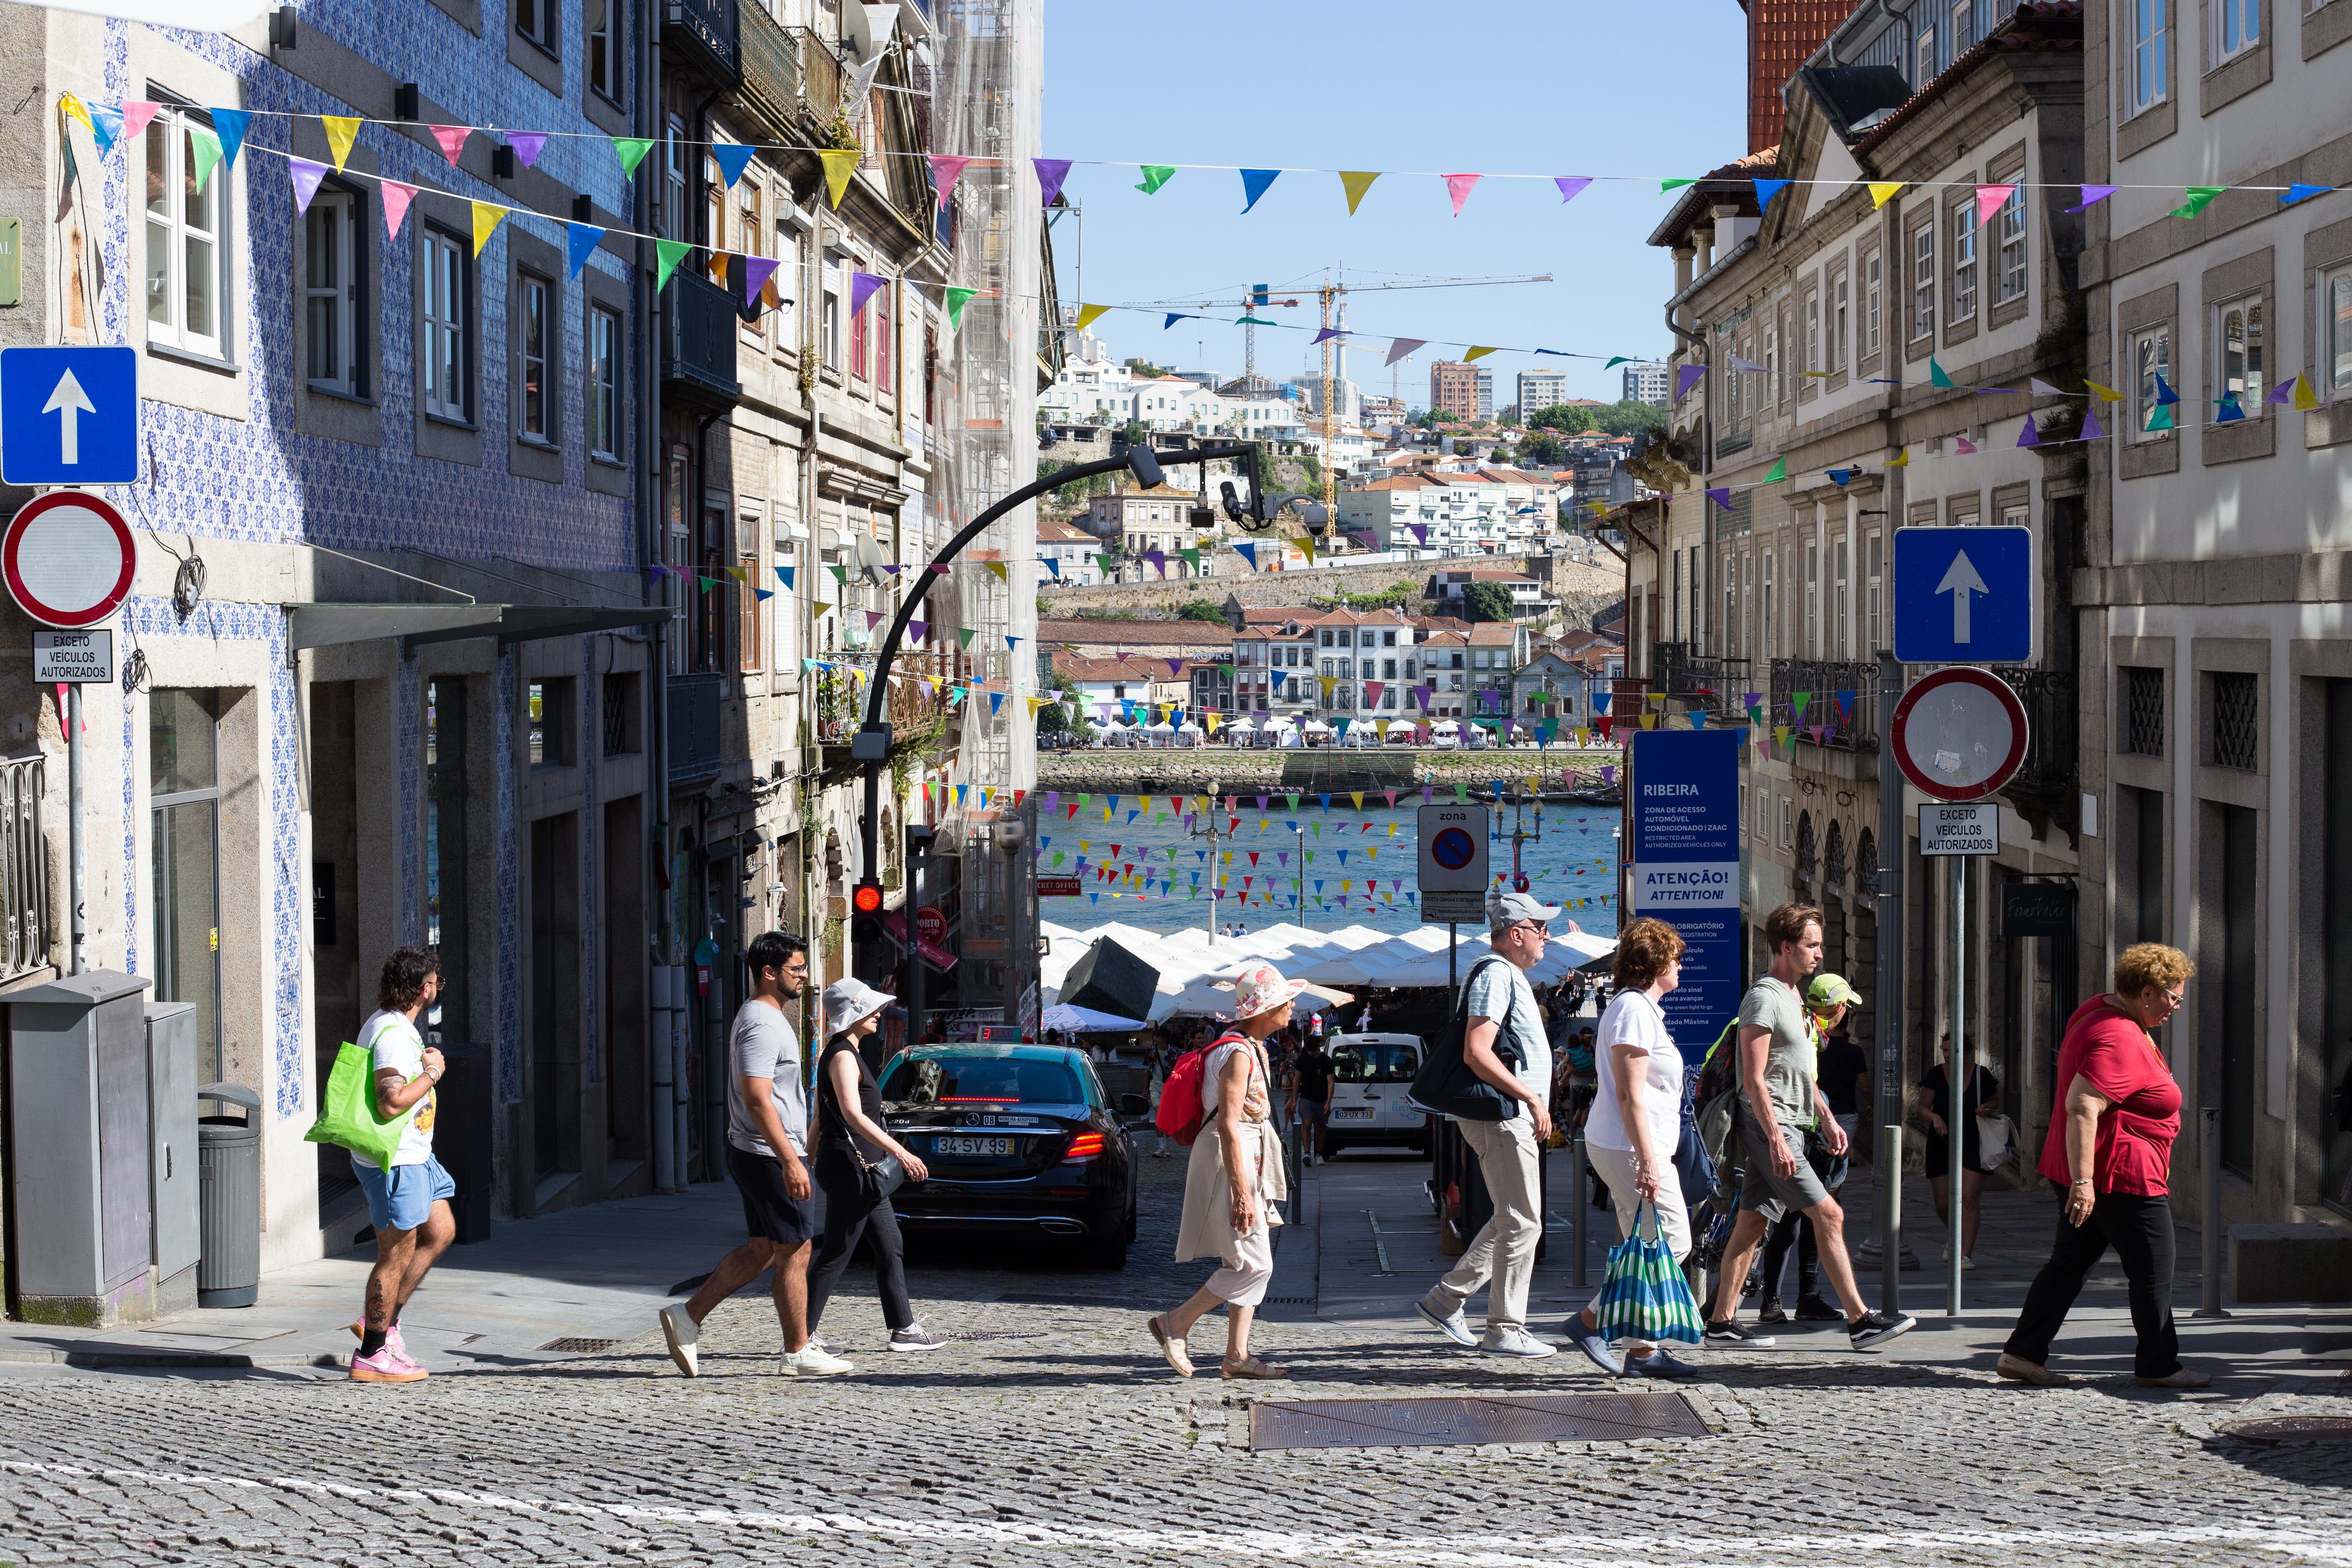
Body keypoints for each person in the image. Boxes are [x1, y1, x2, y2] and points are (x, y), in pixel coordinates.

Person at [1704, 903, 1916, 1352]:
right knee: (1829, 1213)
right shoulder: (1763, 997)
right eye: (1811, 945)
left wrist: (1827, 1118)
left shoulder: (1795, 996)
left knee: (1752, 1223)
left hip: (1793, 1124)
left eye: (1819, 945)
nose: (1820, 954)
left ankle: (1722, 1322)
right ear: (1786, 946)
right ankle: (1860, 1321)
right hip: (1770, 1126)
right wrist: (1778, 1139)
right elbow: (1753, 1077)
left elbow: (1802, 1073)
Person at [1999, 944, 2209, 1389]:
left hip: (2101, 1171)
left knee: (2068, 1264)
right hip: (2120, 1177)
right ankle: (2158, 1365)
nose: (2176, 1007)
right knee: (2154, 1267)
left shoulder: (2100, 1010)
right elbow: (2082, 1105)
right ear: (2147, 993)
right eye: (2173, 998)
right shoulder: (2120, 1036)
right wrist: (2084, 1183)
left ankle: (2023, 1353)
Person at [659, 932, 852, 1378]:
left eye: (803, 968)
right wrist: (790, 1159)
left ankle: (689, 1317)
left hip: (761, 1152)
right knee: (796, 1250)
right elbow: (758, 1097)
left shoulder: (766, 1017)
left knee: (763, 1249)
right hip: (768, 1154)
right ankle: (798, 1351)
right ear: (769, 972)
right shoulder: (762, 1024)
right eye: (797, 969)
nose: (805, 976)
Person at [1412, 890, 1558, 1360]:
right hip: (1505, 1114)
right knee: (1524, 1222)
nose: (1547, 937)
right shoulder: (1496, 974)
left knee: (1510, 1218)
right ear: (1516, 934)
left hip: (1508, 1113)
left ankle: (1446, 1299)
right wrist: (1531, 1096)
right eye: (1540, 929)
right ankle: (1504, 1326)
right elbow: (1477, 1051)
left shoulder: (1505, 974)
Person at [1147, 963, 1299, 1380]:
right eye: (1287, 1000)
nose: (1293, 1005)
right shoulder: (1237, 1052)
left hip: (1245, 1155)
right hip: (1231, 1158)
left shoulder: (1249, 1047)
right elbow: (1230, 1123)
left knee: (1249, 1259)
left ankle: (1236, 1355)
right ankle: (1175, 1322)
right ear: (1266, 1009)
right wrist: (1242, 1192)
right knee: (1255, 1265)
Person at [1563, 918, 1698, 1379]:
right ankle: (1591, 1322)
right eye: (1675, 957)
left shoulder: (1638, 1009)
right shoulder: (1634, 1011)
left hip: (1631, 1143)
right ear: (1654, 962)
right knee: (1674, 1239)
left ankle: (1642, 1351)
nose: (1681, 964)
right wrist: (1646, 1160)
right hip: (1631, 1146)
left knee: (1647, 1244)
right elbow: (1629, 1093)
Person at [804, 978, 947, 1354]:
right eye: (871, 1010)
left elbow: (821, 1116)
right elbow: (851, 1114)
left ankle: (904, 1329)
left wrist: (807, 1158)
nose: (879, 1015)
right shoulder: (842, 1056)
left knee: (890, 1244)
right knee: (837, 1252)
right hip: (854, 1169)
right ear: (853, 1014)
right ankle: (801, 1337)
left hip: (864, 1170)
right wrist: (900, 1152)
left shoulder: (844, 1053)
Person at [347, 948, 455, 1384]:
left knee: (441, 1230)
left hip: (417, 1156)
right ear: (425, 989)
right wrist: (431, 1074)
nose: (437, 988)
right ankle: (372, 1353)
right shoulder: (391, 1033)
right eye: (437, 982)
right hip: (396, 1162)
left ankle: (385, 1323)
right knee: (395, 1253)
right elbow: (391, 1101)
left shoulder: (395, 1026)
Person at [1919, 1034, 2000, 1268]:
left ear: (1965, 1052)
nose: (1947, 1055)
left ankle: (1965, 1254)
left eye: (1951, 1051)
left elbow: (1995, 1101)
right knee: (1943, 1204)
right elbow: (1922, 1108)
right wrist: (1935, 1118)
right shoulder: (1935, 1075)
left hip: (1974, 1140)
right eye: (1943, 1050)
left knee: (1969, 1199)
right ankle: (1956, 1237)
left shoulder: (1980, 1074)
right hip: (1941, 1141)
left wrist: (1986, 1107)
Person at [1811, 976, 1870, 1161]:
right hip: (1839, 1113)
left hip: (1814, 1115)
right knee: (1835, 1169)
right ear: (1839, 1008)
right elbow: (1865, 1087)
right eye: (1845, 1005)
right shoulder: (1852, 1051)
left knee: (1815, 1165)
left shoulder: (1813, 1037)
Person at [1295, 1032, 1335, 1164]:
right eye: (1309, 1051)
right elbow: (1297, 1080)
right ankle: (1307, 1153)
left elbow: (1331, 1082)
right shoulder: (1302, 1059)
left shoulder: (1326, 1061)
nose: (1311, 1053)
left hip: (1322, 1098)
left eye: (1313, 1051)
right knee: (1306, 1124)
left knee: (1320, 1126)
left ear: (1319, 1047)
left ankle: (1319, 1154)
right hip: (1306, 1097)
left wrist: (1329, 1102)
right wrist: (1294, 1100)